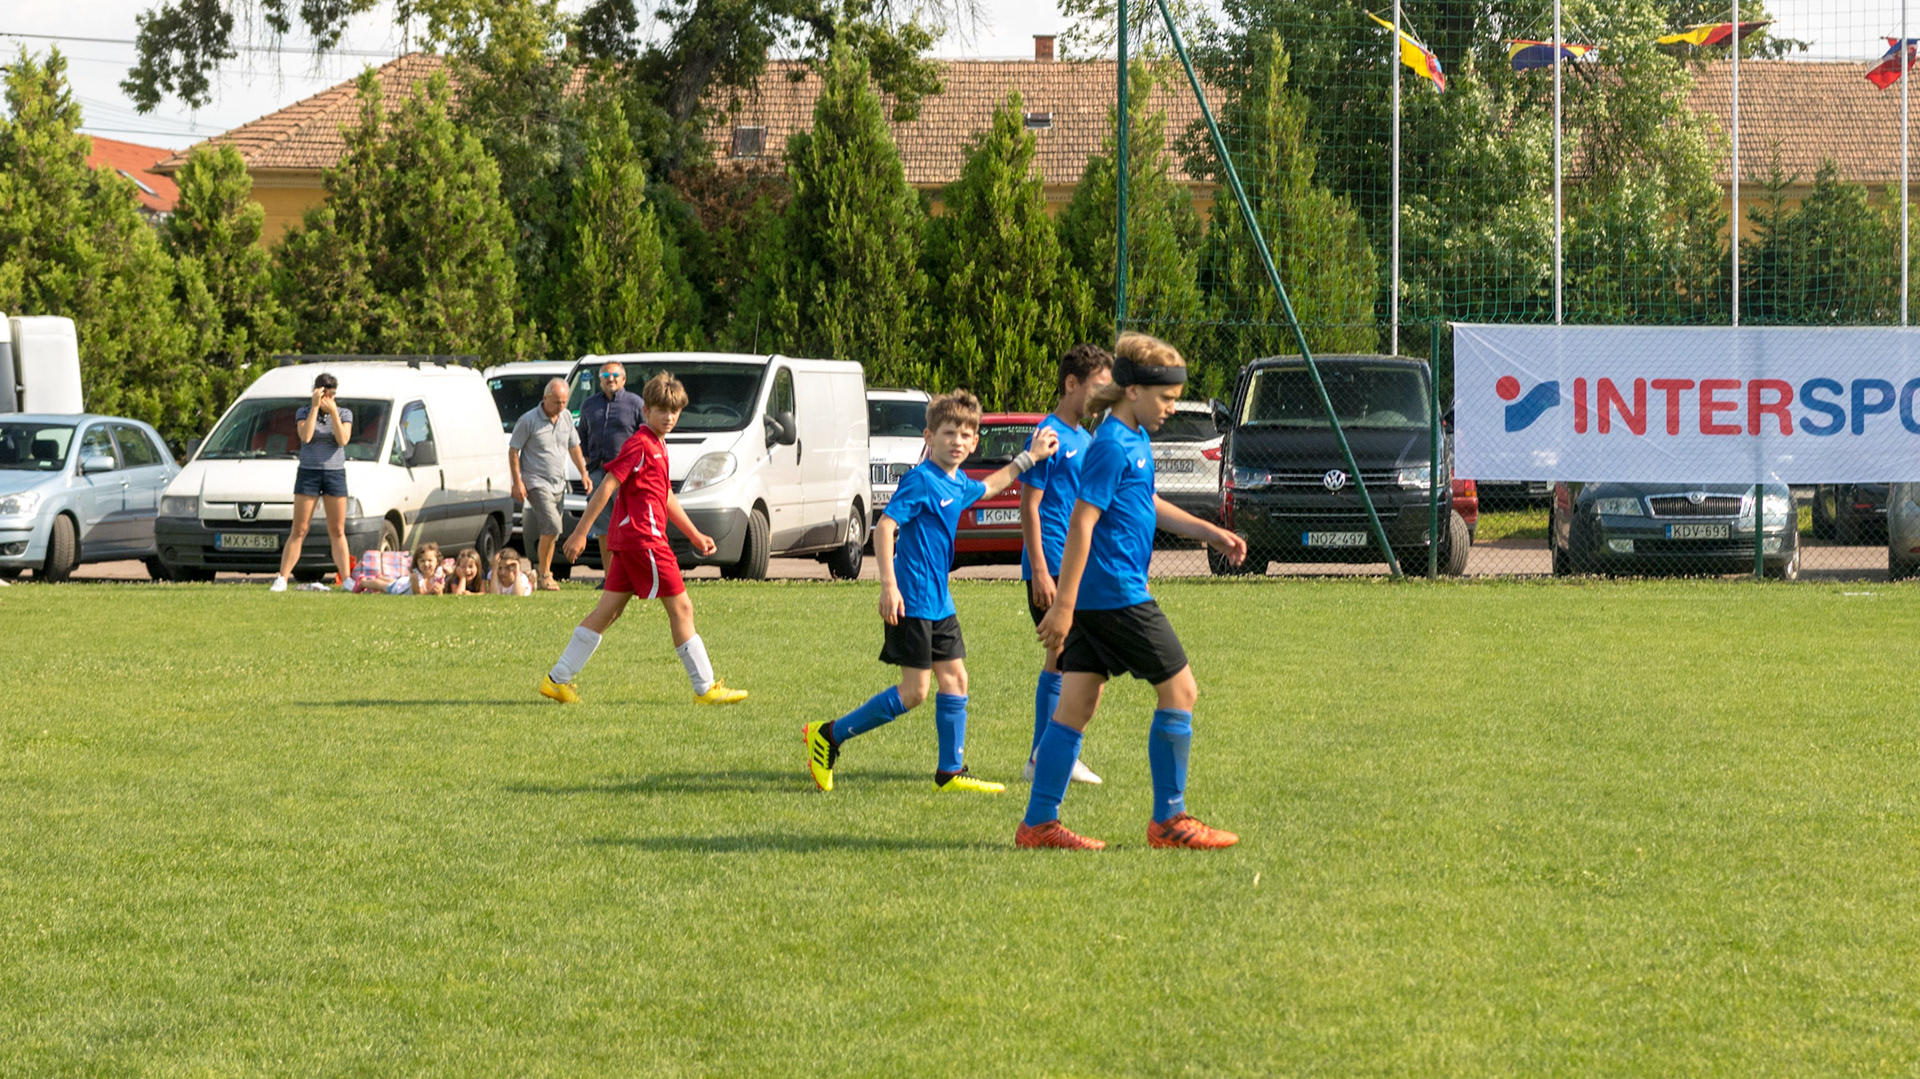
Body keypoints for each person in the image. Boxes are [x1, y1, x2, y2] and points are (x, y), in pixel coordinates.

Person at [1019, 334, 1248, 851]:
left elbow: (1147, 504)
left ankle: (1038, 824)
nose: (1171, 407)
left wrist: (1211, 532)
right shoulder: (1111, 444)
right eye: (1166, 398)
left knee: (1075, 705)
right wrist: (1063, 607)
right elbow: (1082, 524)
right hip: (1117, 596)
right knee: (1181, 691)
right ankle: (1169, 820)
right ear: (1134, 391)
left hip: (1103, 597)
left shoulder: (1133, 439)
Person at [803, 390, 1058, 794]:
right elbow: (885, 527)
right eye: (948, 432)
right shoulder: (921, 479)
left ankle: (950, 773)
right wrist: (888, 586)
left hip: (940, 602)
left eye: (965, 434)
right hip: (913, 599)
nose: (957, 440)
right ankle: (828, 735)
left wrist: (1031, 457)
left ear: (975, 442)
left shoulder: (957, 482)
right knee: (915, 691)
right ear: (929, 436)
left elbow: (992, 485)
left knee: (956, 678)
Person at [541, 371, 750, 706]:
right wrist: (581, 533)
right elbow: (607, 485)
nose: (668, 417)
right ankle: (706, 689)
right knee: (682, 607)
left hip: (631, 541)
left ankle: (557, 680)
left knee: (608, 611)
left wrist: (694, 535)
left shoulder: (658, 444)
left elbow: (664, 494)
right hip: (644, 540)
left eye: (674, 411)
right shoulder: (639, 444)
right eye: (661, 410)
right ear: (646, 411)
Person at [1019, 344, 1114, 788]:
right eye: (1097, 387)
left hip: (1077, 569)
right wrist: (1038, 568)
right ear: (1072, 383)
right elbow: (1030, 505)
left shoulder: (1087, 439)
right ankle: (1048, 756)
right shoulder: (1048, 435)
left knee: (1069, 661)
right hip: (1051, 567)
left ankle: (1047, 755)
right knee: (1066, 659)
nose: (1102, 397)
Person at [271, 373, 355, 592]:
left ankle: (346, 578)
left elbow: (342, 439)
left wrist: (334, 412)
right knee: (299, 528)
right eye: (324, 393)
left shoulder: (345, 413)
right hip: (309, 472)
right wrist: (315, 408)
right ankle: (282, 578)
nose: (328, 397)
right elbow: (306, 436)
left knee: (337, 529)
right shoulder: (304, 412)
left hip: (334, 473)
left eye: (332, 394)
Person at [509, 378, 591, 590]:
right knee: (553, 526)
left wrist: (583, 473)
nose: (561, 406)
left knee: (552, 531)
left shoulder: (565, 418)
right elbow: (513, 451)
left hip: (558, 483)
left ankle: (541, 571)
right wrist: (517, 481)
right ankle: (545, 574)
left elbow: (574, 447)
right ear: (545, 398)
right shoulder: (528, 420)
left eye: (564, 402)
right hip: (536, 482)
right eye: (557, 402)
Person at [578, 360, 645, 576]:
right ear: (600, 381)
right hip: (598, 473)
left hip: (626, 477)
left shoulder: (636, 404)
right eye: (606, 376)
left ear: (624, 379)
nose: (611, 379)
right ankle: (610, 577)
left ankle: (632, 574)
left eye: (615, 375)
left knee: (629, 527)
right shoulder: (589, 405)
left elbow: (645, 437)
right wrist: (589, 464)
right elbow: (582, 437)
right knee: (603, 528)